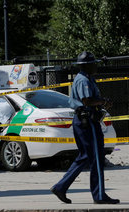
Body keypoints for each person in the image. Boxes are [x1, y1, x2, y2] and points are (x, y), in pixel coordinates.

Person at [50, 51, 119, 204]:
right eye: (93, 63)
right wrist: (102, 101)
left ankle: (61, 187)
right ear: (87, 65)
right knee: (96, 158)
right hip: (87, 122)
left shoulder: (87, 78)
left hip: (84, 122)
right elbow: (87, 101)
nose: (95, 66)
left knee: (85, 157)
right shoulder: (83, 80)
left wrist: (101, 102)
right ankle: (99, 196)